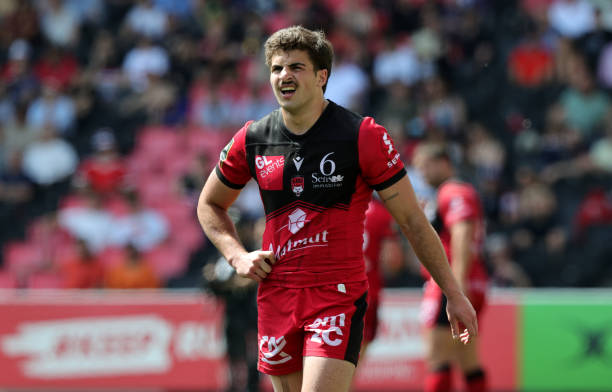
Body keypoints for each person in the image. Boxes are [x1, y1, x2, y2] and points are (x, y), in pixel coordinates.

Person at [197, 26, 477, 392]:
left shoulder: (362, 136)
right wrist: (236, 256)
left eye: (296, 67)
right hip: (276, 293)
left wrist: (453, 293)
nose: (285, 76)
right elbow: (209, 204)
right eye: (277, 68)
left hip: (336, 293)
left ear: (321, 76)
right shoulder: (253, 138)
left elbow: (412, 219)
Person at [413, 143, 488, 392]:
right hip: (472, 280)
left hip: (451, 283)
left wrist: (455, 287)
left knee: (437, 357)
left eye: (425, 166)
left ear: (443, 163)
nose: (422, 173)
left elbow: (462, 233)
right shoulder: (452, 193)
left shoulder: (452, 190)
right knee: (467, 359)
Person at [360, 196, 402, 355]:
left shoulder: (335, 207)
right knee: (350, 364)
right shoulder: (381, 213)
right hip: (366, 291)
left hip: (331, 292)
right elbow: (392, 261)